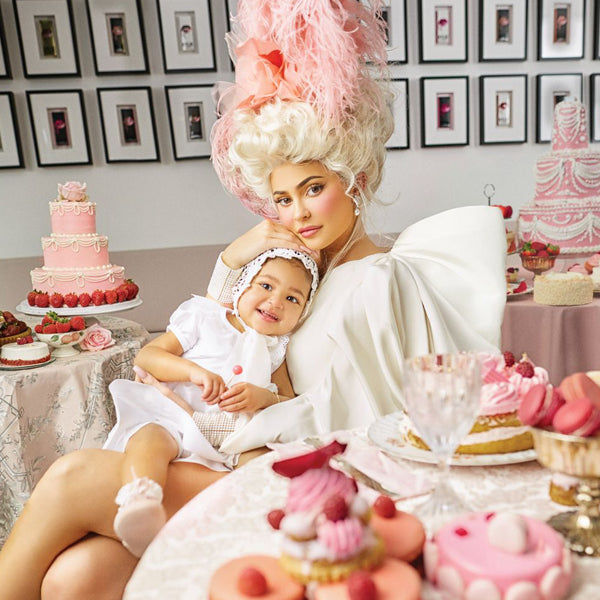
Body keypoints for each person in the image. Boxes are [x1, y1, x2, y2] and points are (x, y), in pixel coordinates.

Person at [0, 1, 506, 598]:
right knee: (74, 578)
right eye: (283, 199)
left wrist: (251, 418)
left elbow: (366, 421)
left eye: (313, 189)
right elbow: (225, 331)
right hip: (239, 458)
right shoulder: (302, 278)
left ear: (356, 179)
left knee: (70, 478)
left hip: (300, 476)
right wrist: (232, 260)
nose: (297, 214)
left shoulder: (374, 279)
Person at [104, 248, 318, 557]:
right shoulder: (205, 318)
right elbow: (148, 356)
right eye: (267, 286)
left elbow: (290, 402)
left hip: (230, 441)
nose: (275, 302)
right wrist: (193, 372)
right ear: (242, 284)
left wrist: (263, 397)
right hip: (172, 416)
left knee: (265, 464)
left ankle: (268, 527)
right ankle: (140, 505)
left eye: (292, 299)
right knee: (150, 441)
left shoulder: (276, 350)